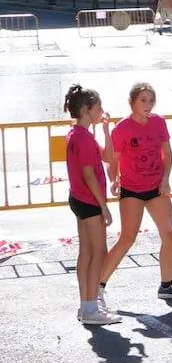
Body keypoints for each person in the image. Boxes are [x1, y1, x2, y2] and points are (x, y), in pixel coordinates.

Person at [99, 83, 172, 307]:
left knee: (170, 233)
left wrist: (165, 179)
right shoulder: (122, 129)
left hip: (156, 187)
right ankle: (98, 287)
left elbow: (167, 153)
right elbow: (113, 159)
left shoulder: (158, 122)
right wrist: (114, 179)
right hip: (132, 189)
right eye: (143, 100)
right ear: (131, 102)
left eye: (151, 100)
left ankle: (167, 285)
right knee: (127, 238)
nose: (147, 104)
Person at [64, 85, 121, 326]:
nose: (102, 110)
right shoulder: (83, 139)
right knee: (98, 252)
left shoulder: (79, 134)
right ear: (87, 110)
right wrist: (104, 206)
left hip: (79, 199)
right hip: (88, 200)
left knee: (87, 252)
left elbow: (108, 157)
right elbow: (89, 174)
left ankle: (86, 306)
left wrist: (106, 129)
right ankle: (90, 307)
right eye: (98, 107)